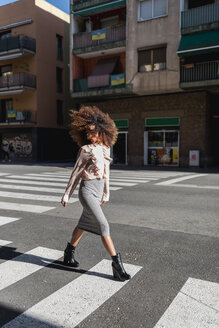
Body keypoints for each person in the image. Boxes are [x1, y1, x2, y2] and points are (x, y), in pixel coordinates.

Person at [61, 106, 131, 282]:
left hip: (98, 190)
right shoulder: (85, 150)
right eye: (88, 133)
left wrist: (106, 193)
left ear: (102, 131)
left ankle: (69, 253)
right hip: (87, 191)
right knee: (104, 226)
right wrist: (67, 194)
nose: (91, 136)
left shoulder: (106, 148)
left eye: (93, 132)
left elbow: (106, 173)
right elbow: (76, 173)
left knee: (83, 224)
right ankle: (117, 266)